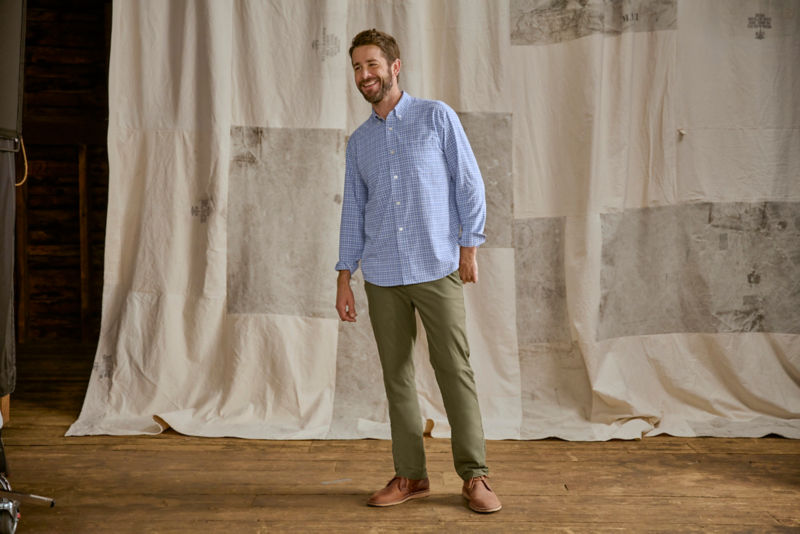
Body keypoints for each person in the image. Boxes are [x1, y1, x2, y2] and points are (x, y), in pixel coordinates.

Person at [335, 28, 502, 514]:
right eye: (357, 68)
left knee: (455, 370)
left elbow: (469, 183)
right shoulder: (359, 142)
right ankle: (411, 476)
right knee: (397, 377)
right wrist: (345, 275)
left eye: (372, 65)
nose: (365, 75)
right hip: (382, 275)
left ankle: (475, 477)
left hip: (436, 265)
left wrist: (469, 246)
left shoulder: (436, 117)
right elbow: (353, 211)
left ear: (395, 66)